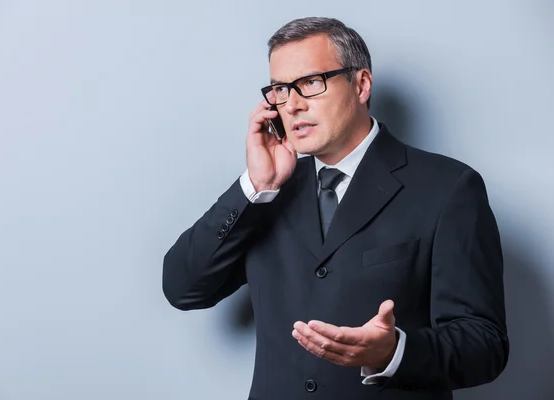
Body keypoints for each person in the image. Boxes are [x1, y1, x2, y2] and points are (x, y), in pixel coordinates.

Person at [162, 17, 509, 400]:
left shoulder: (448, 188)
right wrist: (254, 187)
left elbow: (484, 344)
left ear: (361, 85)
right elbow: (183, 288)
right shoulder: (267, 193)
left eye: (311, 83)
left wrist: (394, 352)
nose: (291, 105)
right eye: (280, 89)